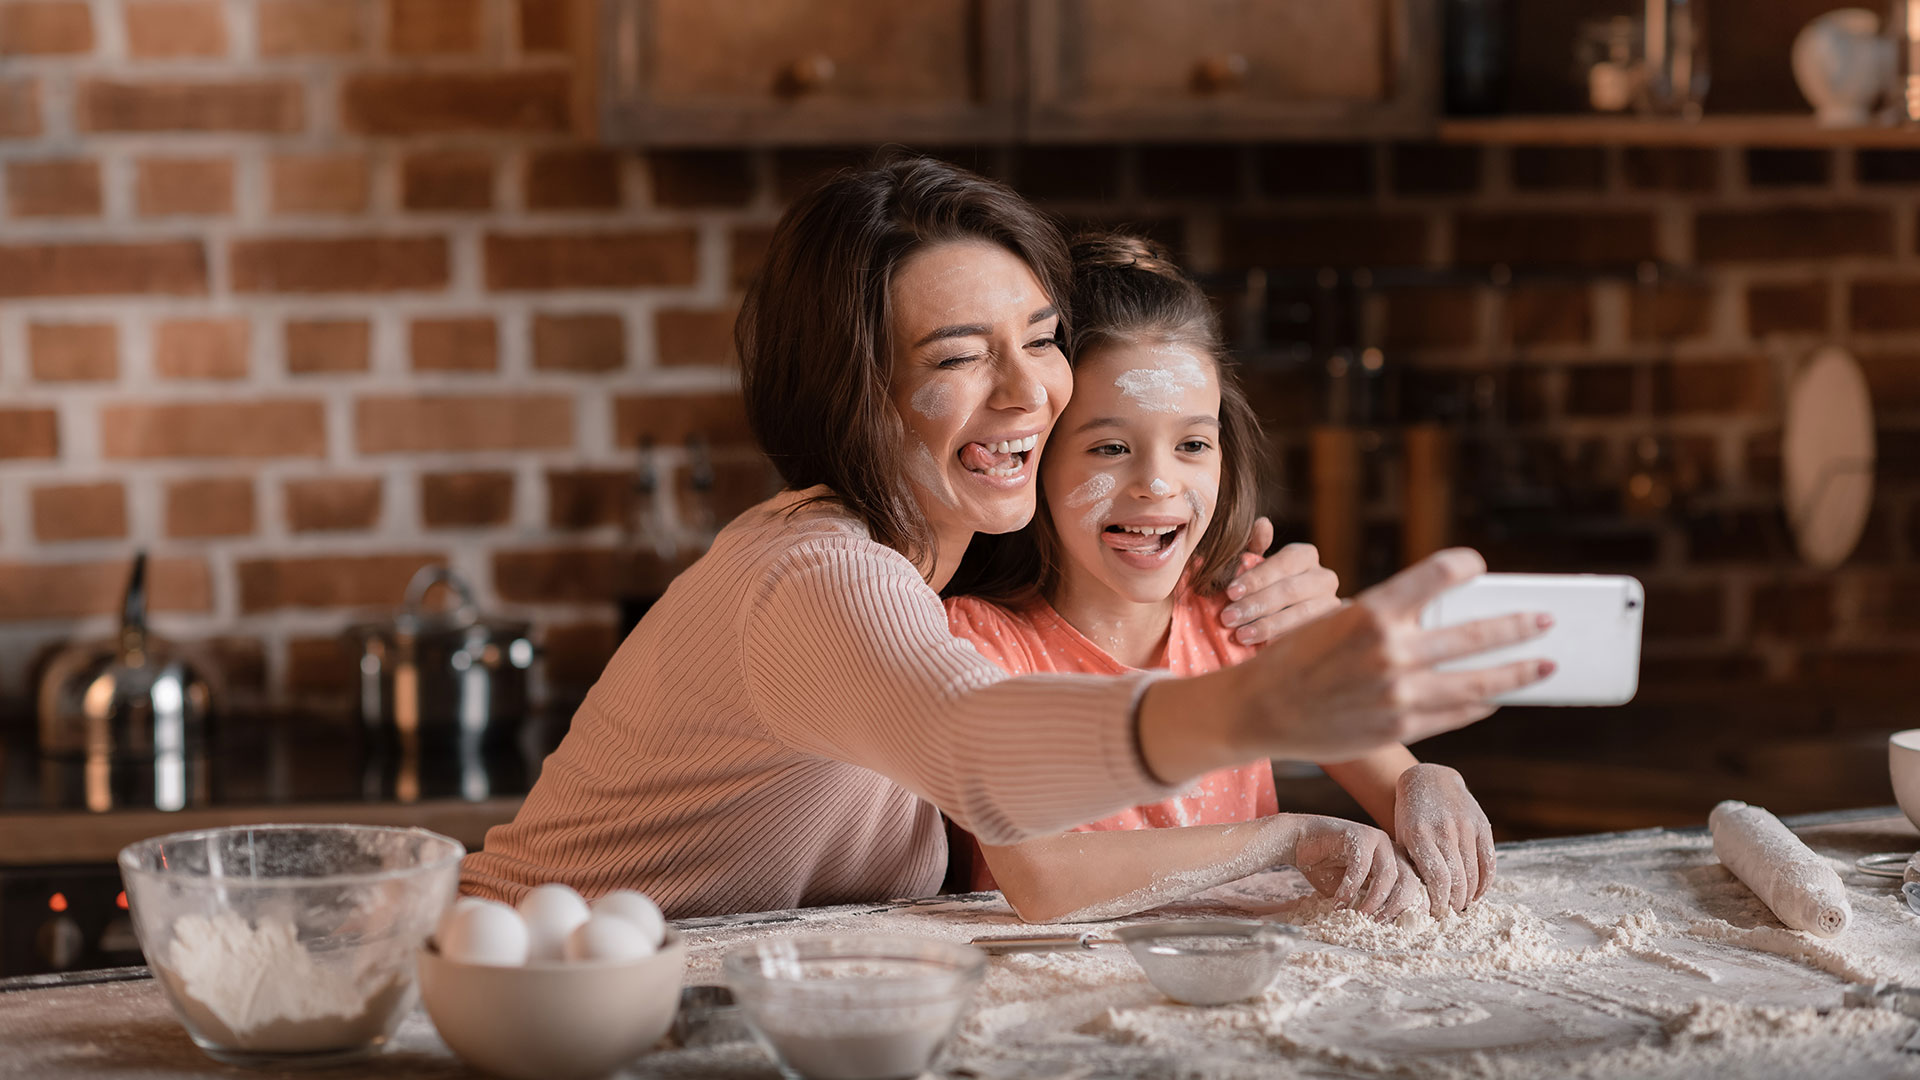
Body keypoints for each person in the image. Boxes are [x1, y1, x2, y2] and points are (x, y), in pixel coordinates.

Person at [459, 157, 1551, 918]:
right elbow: (979, 750)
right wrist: (1265, 723)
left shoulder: (938, 557)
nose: (1032, 394)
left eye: (1039, 340)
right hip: (497, 995)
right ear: (858, 396)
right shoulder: (817, 575)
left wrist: (1303, 652)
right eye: (957, 358)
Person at [946, 235, 1499, 923]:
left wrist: (1427, 778)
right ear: (1037, 459)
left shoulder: (1242, 607)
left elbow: (1394, 779)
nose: (1157, 483)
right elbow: (1044, 880)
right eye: (1110, 447)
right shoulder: (977, 644)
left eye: (1192, 445)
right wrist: (1282, 840)